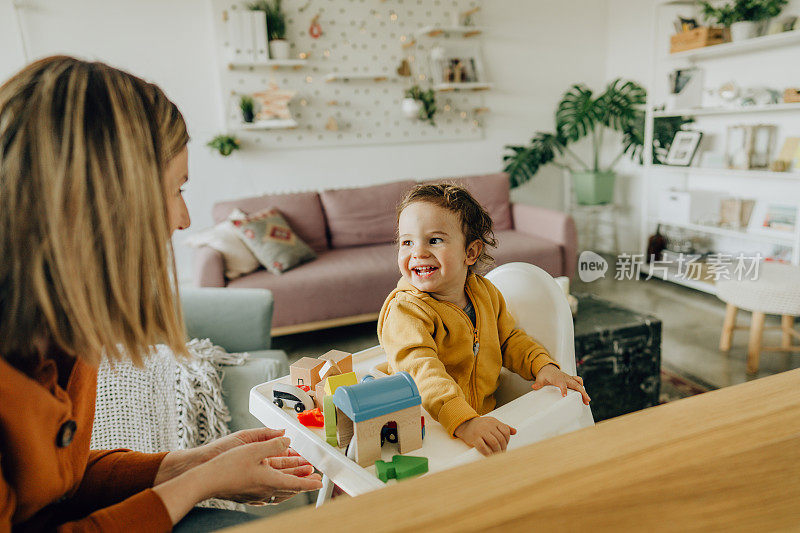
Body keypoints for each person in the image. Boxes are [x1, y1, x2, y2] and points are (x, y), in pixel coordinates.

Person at [0, 56, 322, 532]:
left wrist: (189, 463)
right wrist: (199, 482)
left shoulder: (64, 336)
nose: (184, 220)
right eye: (176, 190)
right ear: (103, 203)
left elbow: (52, 486)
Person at [378, 183, 591, 456]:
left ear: (471, 252)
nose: (418, 252)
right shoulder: (406, 312)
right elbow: (422, 373)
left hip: (481, 420)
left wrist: (542, 366)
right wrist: (464, 421)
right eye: (407, 242)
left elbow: (510, 339)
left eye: (434, 240)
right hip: (428, 429)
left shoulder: (484, 293)